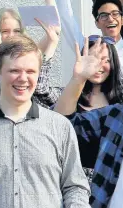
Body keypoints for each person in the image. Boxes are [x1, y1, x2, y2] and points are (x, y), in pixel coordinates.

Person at [0, 35, 91, 208]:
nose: (23, 78)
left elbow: (75, 187)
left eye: (30, 71)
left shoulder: (60, 127)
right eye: (14, 70)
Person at [54, 38, 123, 208]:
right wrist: (78, 79)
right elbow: (62, 125)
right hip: (82, 188)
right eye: (93, 59)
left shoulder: (118, 98)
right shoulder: (116, 114)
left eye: (106, 60)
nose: (99, 66)